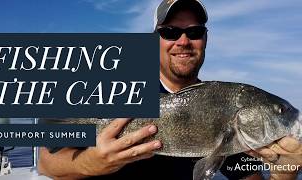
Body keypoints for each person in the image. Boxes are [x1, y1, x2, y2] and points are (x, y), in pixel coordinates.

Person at [38, 0, 302, 179]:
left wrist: (286, 170)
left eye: (195, 32)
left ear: (205, 39)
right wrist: (93, 162)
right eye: (171, 32)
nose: (184, 41)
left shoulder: (225, 109)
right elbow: (46, 162)